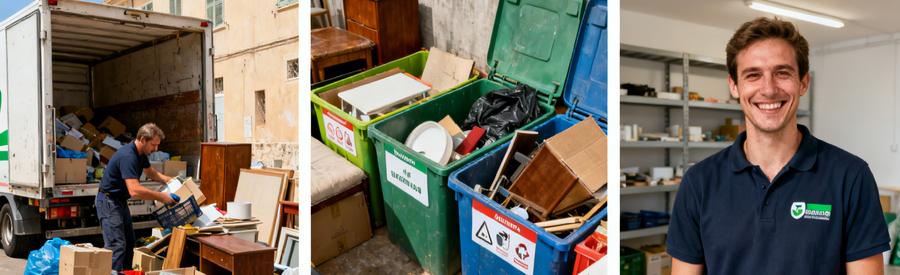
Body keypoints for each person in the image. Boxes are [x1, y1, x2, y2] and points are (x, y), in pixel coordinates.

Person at [666, 17, 890, 275]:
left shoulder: (850, 177)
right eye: (753, 75)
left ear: (803, 82)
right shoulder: (699, 183)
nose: (769, 89)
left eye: (782, 73)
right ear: (734, 86)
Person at [95, 123, 180, 271]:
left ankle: (126, 272)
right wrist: (162, 196)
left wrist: (169, 180)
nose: (156, 149)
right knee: (117, 246)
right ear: (142, 139)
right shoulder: (128, 156)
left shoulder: (140, 154)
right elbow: (134, 190)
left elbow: (151, 172)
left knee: (128, 243)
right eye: (153, 145)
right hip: (108, 202)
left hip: (119, 201)